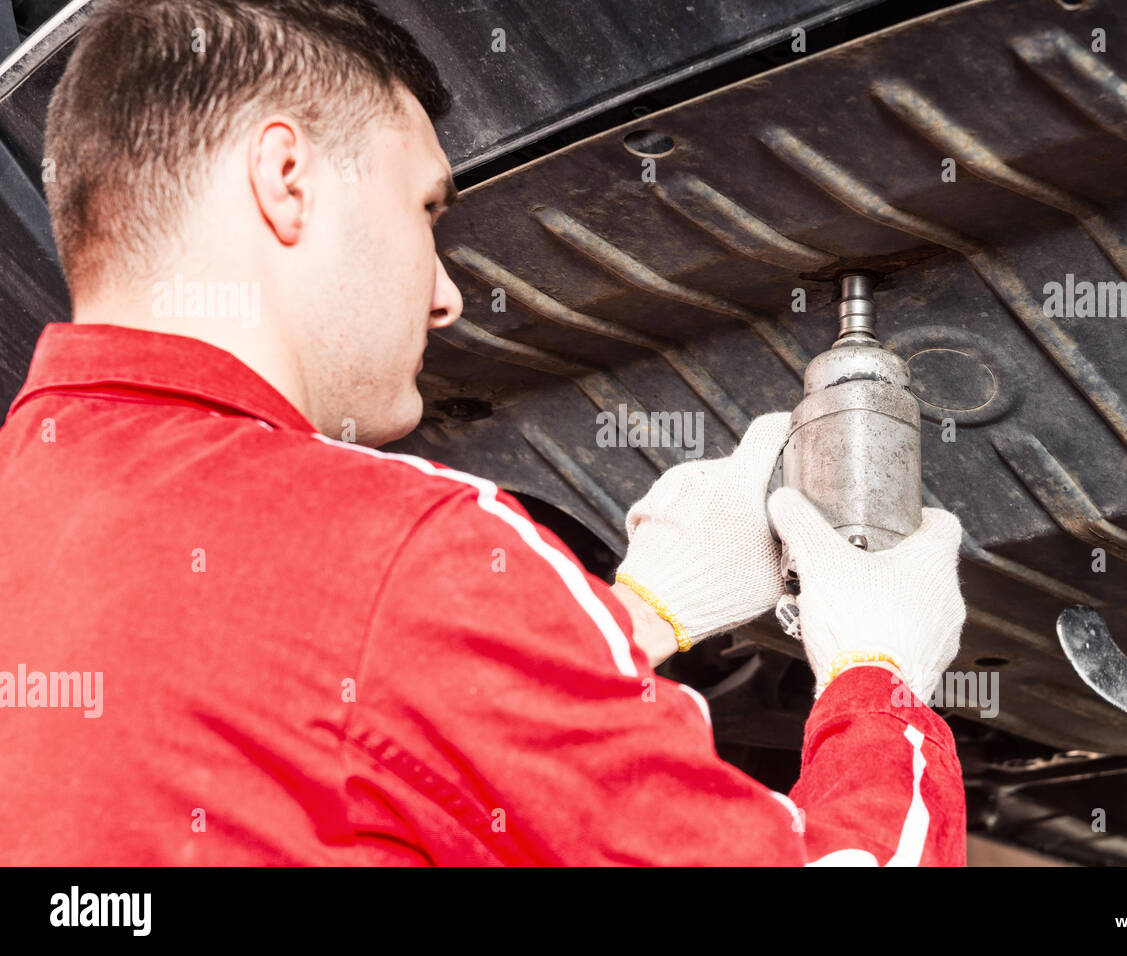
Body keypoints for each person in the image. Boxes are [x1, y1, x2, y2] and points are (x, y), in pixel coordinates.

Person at [0, 0, 967, 865]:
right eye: (425, 209)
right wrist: (884, 678)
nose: (447, 297)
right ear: (285, 179)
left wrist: (634, 616)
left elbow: (288, 701)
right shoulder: (404, 552)